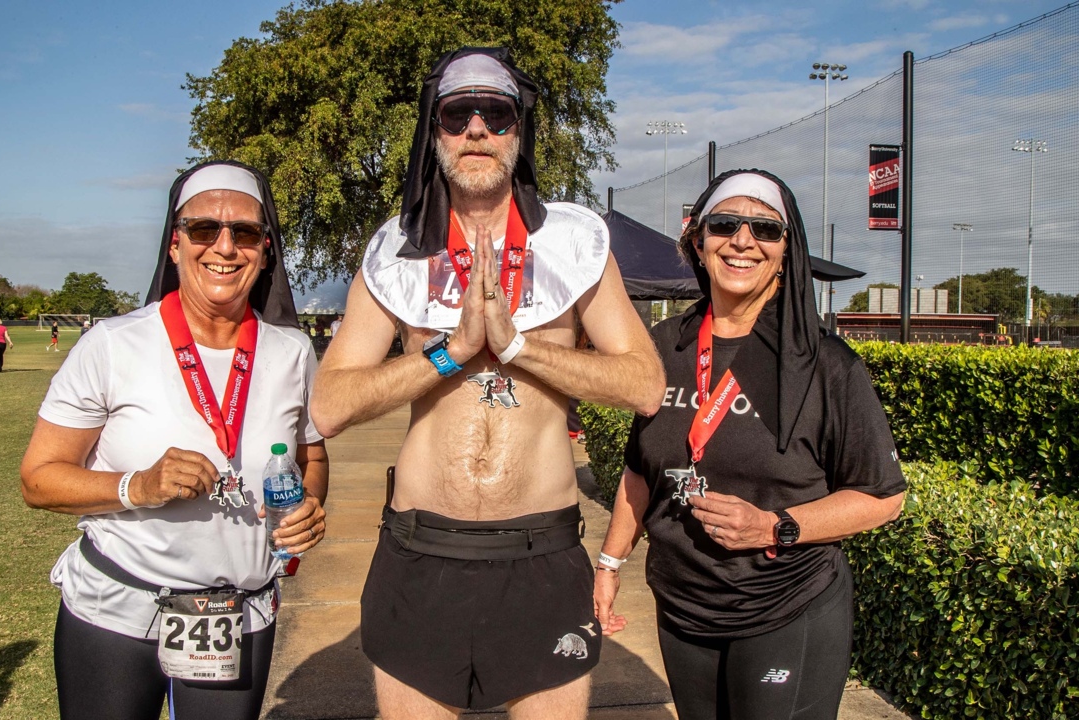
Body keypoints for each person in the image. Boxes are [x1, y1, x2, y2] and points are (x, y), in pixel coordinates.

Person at [311, 47, 665, 720]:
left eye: (495, 114)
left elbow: (645, 383)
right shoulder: (397, 250)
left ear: (517, 131)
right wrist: (453, 353)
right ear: (435, 132)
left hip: (542, 553)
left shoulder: (573, 244)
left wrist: (519, 347)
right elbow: (328, 406)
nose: (476, 129)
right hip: (421, 551)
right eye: (457, 114)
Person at [19, 160, 329, 720]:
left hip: (238, 614)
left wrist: (308, 503)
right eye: (205, 229)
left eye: (246, 232)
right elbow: (39, 479)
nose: (225, 247)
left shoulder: (292, 353)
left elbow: (311, 452)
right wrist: (139, 485)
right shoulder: (112, 345)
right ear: (175, 243)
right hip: (115, 611)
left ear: (265, 249)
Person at [592, 170, 906, 720]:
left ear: (787, 252)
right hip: (684, 609)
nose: (742, 240)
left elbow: (883, 497)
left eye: (764, 228)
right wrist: (610, 562)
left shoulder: (826, 365)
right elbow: (642, 471)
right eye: (725, 224)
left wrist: (772, 526)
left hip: (784, 606)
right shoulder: (663, 347)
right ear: (698, 241)